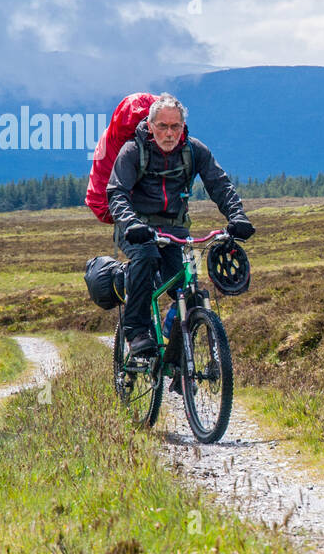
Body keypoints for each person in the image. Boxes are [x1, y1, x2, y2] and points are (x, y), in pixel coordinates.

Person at [107, 92, 254, 358]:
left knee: (189, 291)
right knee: (147, 259)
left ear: (183, 127)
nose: (169, 133)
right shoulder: (132, 151)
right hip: (135, 228)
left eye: (175, 126)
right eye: (162, 126)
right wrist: (130, 223)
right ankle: (138, 332)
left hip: (175, 229)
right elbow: (117, 193)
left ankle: (177, 360)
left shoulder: (194, 151)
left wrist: (237, 216)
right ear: (151, 126)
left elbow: (220, 185)